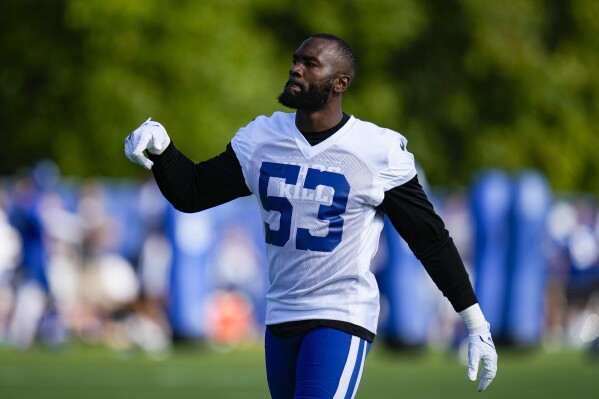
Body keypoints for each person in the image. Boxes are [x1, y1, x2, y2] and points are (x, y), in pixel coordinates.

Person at [125, 33, 497, 398]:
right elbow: (192, 193)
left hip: (341, 315)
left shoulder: (375, 150)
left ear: (340, 83)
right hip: (281, 315)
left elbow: (429, 238)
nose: (295, 69)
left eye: (310, 63)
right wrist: (163, 148)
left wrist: (474, 321)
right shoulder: (262, 138)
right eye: (295, 60)